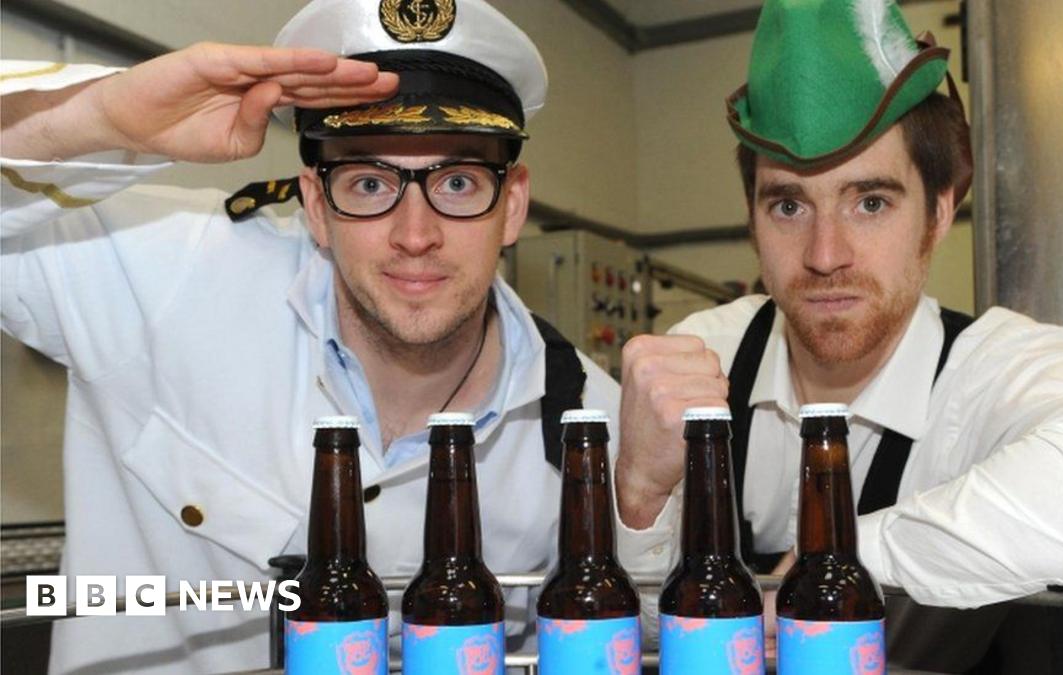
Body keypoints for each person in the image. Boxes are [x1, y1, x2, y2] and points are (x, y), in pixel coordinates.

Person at [1, 1, 637, 672]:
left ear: (512, 205)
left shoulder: (590, 428)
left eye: (457, 181)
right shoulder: (169, 275)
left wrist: (648, 498)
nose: (414, 235)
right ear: (315, 203)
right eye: (368, 182)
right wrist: (97, 116)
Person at [613, 0, 1063, 669]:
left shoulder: (995, 368)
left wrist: (844, 557)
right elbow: (646, 642)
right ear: (751, 218)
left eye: (870, 202)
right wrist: (638, 498)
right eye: (788, 204)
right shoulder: (701, 358)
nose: (825, 253)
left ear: (939, 210)